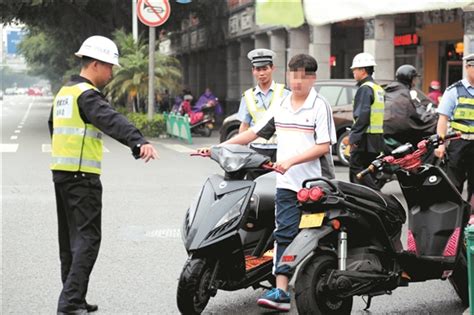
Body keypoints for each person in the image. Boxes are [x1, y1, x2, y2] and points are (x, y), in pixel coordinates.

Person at [200, 54, 336, 311]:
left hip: (316, 185)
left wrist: (292, 161)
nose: (297, 82)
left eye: (303, 76)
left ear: (312, 78)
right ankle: (281, 291)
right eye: (293, 76)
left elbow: (324, 146)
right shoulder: (282, 104)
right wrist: (217, 147)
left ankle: (323, 280)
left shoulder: (320, 105)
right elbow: (253, 132)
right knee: (284, 232)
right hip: (286, 183)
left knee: (320, 235)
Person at [48, 35, 158, 315]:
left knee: (70, 241)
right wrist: (138, 141)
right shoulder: (87, 94)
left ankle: (74, 296)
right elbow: (111, 119)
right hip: (81, 176)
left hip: (62, 174)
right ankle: (71, 302)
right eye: (110, 67)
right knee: (88, 240)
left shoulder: (64, 93)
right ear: (96, 64)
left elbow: (54, 127)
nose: (111, 73)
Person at [237, 48, 290, 162]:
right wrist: (241, 150)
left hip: (281, 149)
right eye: (258, 69)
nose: (261, 73)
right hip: (256, 150)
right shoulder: (247, 96)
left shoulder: (286, 93)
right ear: (253, 71)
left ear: (272, 68)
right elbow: (244, 125)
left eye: (265, 68)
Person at [435, 53, 474, 207]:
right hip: (459, 144)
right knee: (454, 184)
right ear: (467, 67)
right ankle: (453, 220)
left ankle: (471, 222)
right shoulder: (454, 90)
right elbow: (443, 119)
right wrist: (441, 144)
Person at [348, 52, 385, 190]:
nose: (353, 72)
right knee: (370, 169)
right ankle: (372, 197)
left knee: (356, 167)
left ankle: (374, 195)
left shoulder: (365, 89)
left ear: (363, 70)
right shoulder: (377, 88)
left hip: (365, 138)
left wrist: (353, 138)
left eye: (355, 70)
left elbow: (362, 116)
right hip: (375, 138)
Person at [384, 64, 437, 147]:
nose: (415, 82)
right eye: (414, 79)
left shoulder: (391, 90)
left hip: (387, 133)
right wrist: (431, 119)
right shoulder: (404, 94)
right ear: (409, 79)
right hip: (399, 134)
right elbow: (414, 114)